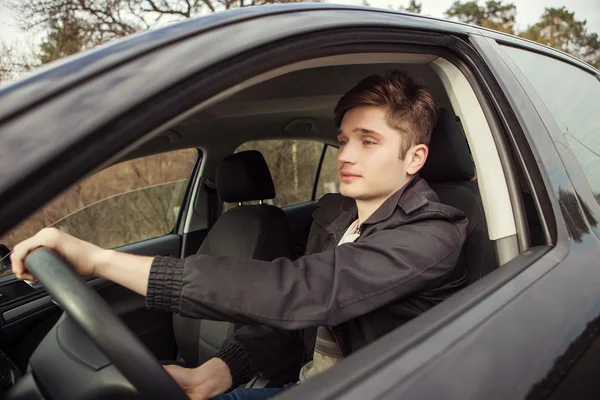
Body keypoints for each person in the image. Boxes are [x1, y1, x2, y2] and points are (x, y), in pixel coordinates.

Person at [11, 70, 468, 400]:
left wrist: (98, 260)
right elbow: (295, 324)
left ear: (415, 158)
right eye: (344, 138)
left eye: (368, 141)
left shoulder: (432, 234)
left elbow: (298, 293)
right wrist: (223, 368)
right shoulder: (335, 215)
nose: (345, 153)